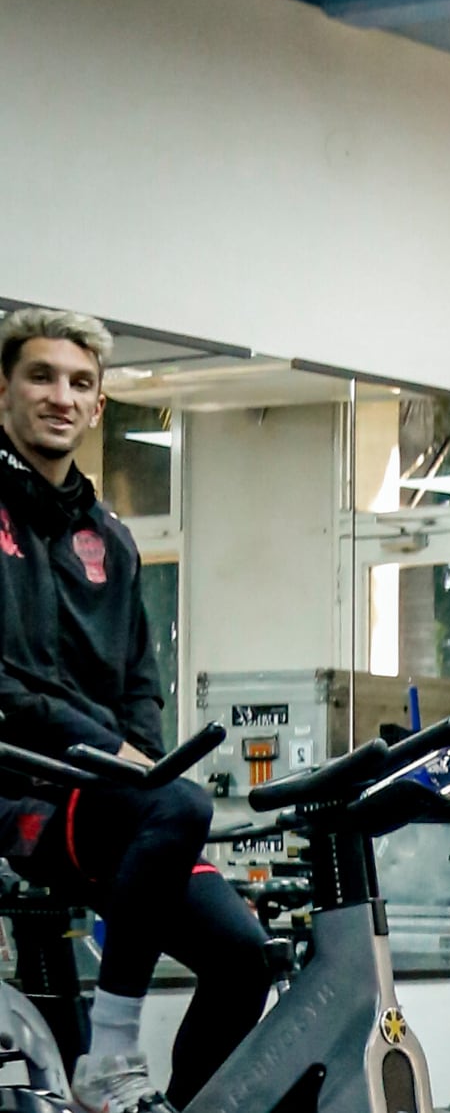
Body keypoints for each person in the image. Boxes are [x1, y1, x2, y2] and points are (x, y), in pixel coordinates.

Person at [0, 309, 269, 1113]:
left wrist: (140, 753)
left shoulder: (109, 539)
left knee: (241, 954)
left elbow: (139, 679)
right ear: (3, 391)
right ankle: (112, 1055)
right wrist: (118, 756)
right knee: (176, 801)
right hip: (23, 793)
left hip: (110, 801)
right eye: (41, 377)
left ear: (99, 406)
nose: (61, 396)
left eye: (80, 383)